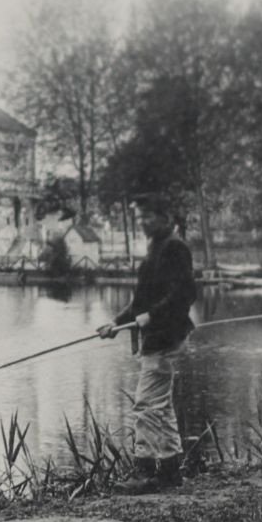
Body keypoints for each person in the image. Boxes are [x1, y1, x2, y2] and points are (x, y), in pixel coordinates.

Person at [98, 196, 199, 490]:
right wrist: (115, 324)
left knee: (144, 404)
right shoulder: (156, 247)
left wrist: (150, 317)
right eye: (139, 217)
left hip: (166, 337)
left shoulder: (174, 247)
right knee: (161, 406)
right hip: (156, 337)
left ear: (164, 215)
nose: (142, 222)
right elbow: (140, 302)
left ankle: (143, 471)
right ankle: (169, 470)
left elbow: (184, 295)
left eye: (147, 216)